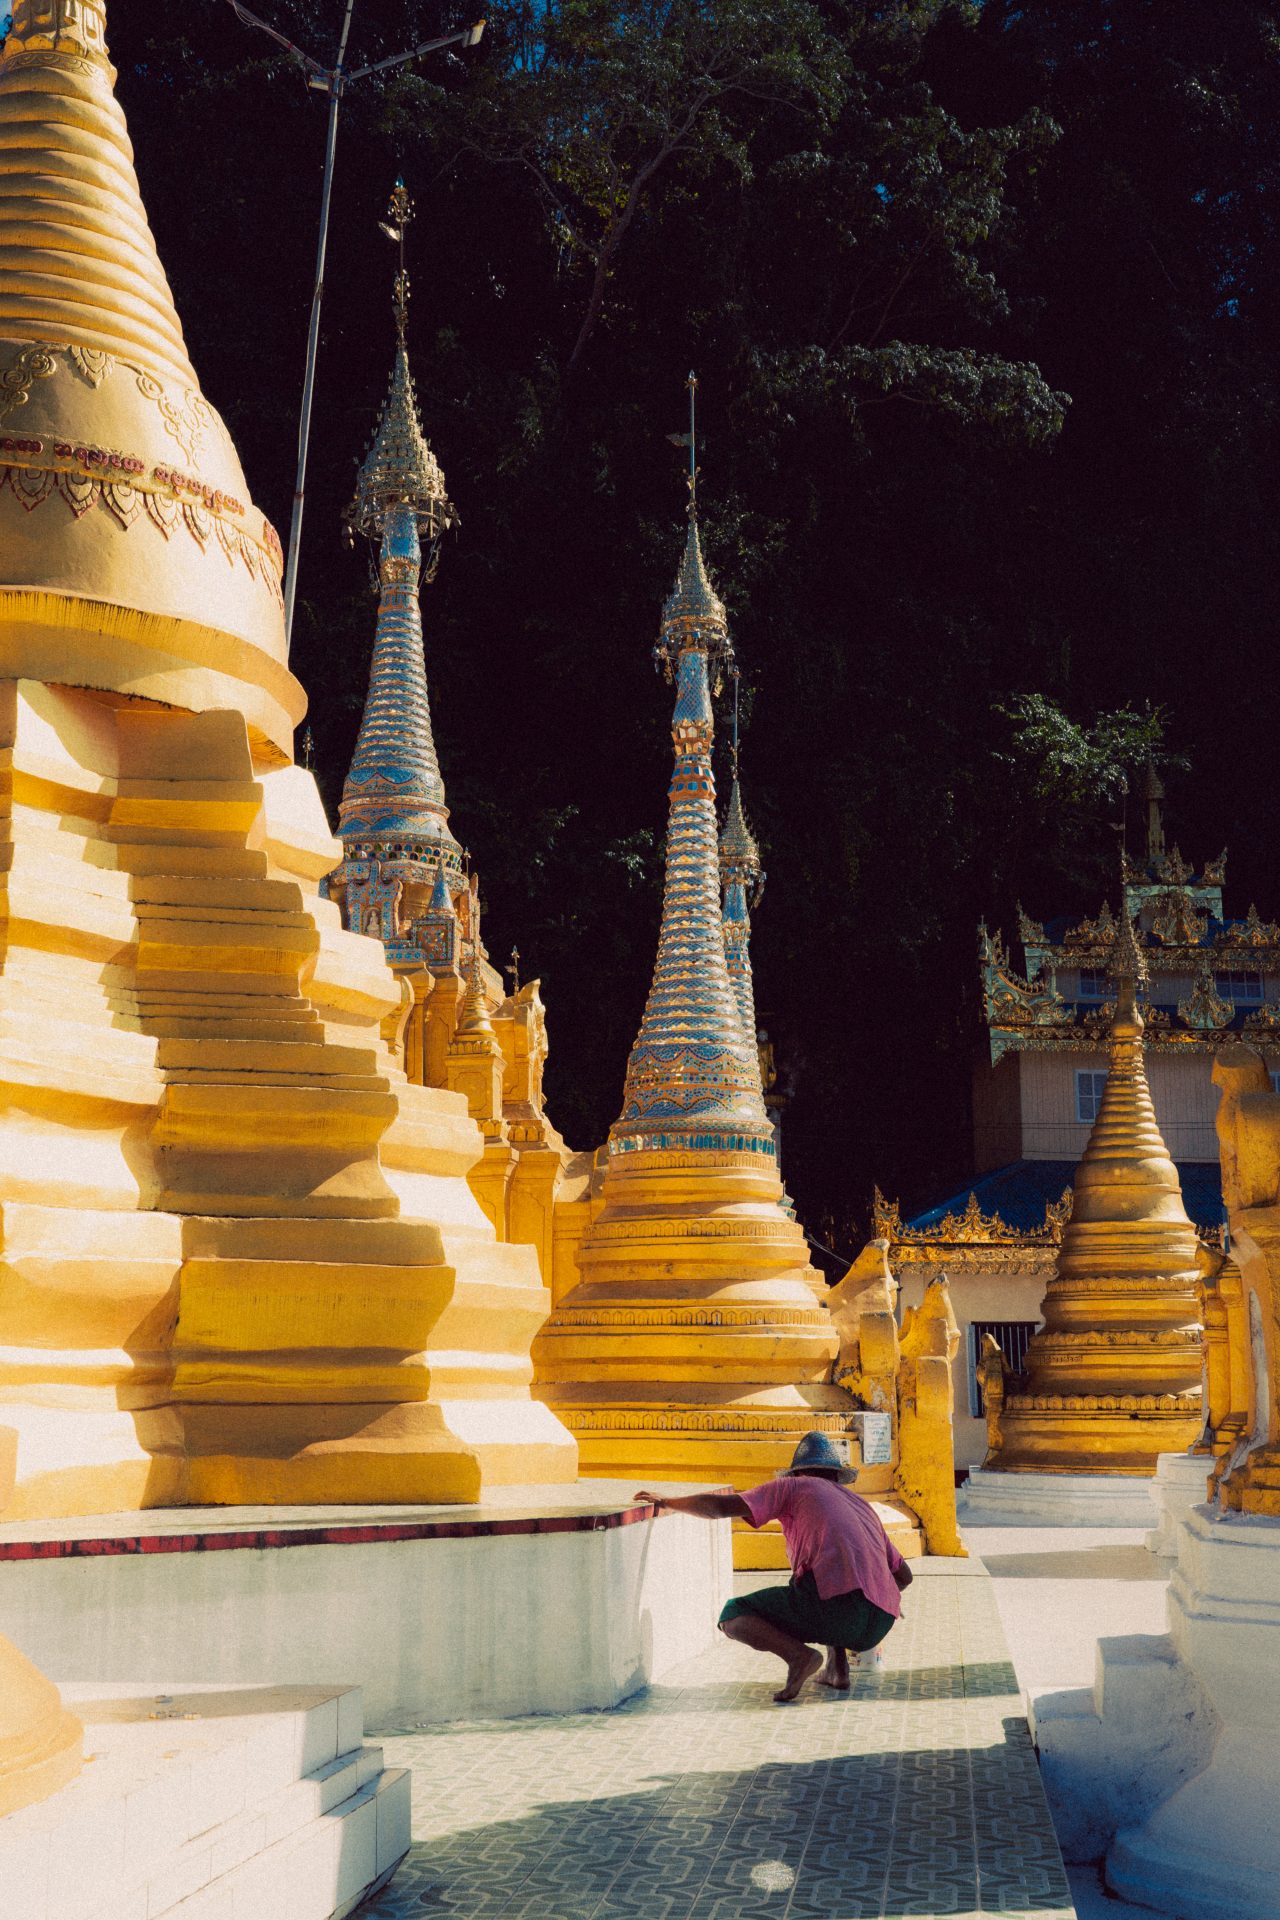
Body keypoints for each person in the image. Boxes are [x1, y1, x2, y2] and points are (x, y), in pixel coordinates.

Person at [635, 1430, 913, 1703]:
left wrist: (668, 1502)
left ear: (797, 1473)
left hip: (839, 1611)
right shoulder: (862, 1505)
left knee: (734, 1615)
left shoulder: (795, 1487)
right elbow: (904, 1575)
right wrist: (876, 1596)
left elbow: (721, 1507)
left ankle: (799, 1657)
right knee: (822, 1582)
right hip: (880, 1621)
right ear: (836, 1476)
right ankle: (837, 1669)